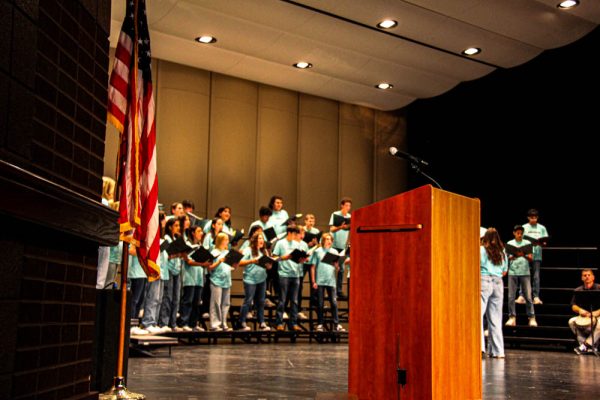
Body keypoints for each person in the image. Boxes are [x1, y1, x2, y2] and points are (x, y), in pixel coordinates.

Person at [480, 228, 508, 358]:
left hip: (484, 280)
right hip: (498, 282)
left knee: (478, 316)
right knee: (496, 319)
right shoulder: (502, 252)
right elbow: (504, 271)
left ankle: (480, 348)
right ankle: (498, 351)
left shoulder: (481, 250)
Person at [238, 232, 273, 331]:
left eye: (262, 239)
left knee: (261, 301)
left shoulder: (264, 252)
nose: (261, 240)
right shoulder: (248, 250)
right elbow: (240, 263)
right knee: (248, 300)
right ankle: (242, 321)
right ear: (254, 240)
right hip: (250, 279)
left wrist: (269, 266)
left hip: (261, 279)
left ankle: (261, 322)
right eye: (259, 238)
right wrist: (252, 261)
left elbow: (268, 266)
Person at [272, 226, 305, 331]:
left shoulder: (297, 244)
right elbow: (274, 258)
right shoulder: (280, 243)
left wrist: (302, 259)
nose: (296, 236)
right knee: (282, 300)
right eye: (295, 234)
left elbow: (298, 258)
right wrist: (284, 258)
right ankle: (279, 323)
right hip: (284, 275)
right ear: (289, 233)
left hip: (295, 275)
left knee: (294, 301)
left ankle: (293, 323)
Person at [311, 233, 345, 332]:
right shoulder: (317, 251)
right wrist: (313, 281)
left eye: (330, 239)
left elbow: (337, 268)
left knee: (334, 303)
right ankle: (320, 324)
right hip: (320, 281)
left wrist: (337, 266)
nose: (329, 241)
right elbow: (313, 267)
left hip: (331, 281)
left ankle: (336, 324)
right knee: (320, 303)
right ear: (323, 240)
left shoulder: (334, 251)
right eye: (327, 239)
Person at [505, 225, 537, 327]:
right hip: (513, 272)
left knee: (528, 295)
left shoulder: (527, 243)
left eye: (521, 233)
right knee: (511, 296)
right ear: (514, 233)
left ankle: (531, 317)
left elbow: (531, 259)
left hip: (525, 271)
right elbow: (507, 259)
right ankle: (512, 317)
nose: (519, 235)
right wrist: (514, 255)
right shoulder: (510, 243)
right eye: (517, 233)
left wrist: (523, 254)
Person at [516, 209, 549, 305]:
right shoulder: (524, 227)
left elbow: (545, 240)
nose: (533, 219)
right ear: (528, 217)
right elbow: (519, 239)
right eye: (531, 217)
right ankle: (522, 295)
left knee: (536, 276)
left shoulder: (542, 228)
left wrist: (543, 242)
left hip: (537, 254)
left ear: (537, 218)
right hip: (526, 254)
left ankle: (536, 296)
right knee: (524, 274)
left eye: (535, 217)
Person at [568, 269, 600, 355]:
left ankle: (585, 346)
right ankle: (587, 347)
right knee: (571, 321)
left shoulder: (599, 288)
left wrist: (596, 312)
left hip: (597, 316)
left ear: (593, 277)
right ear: (582, 278)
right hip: (584, 316)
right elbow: (573, 306)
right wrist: (580, 310)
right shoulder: (578, 290)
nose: (587, 277)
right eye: (584, 275)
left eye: (589, 275)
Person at [329, 197, 351, 300]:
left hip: (342, 247)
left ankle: (338, 290)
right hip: (333, 246)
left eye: (349, 206)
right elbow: (331, 229)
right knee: (331, 268)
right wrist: (340, 227)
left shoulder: (350, 216)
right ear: (342, 205)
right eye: (346, 205)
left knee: (341, 269)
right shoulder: (335, 214)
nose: (348, 207)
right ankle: (330, 289)